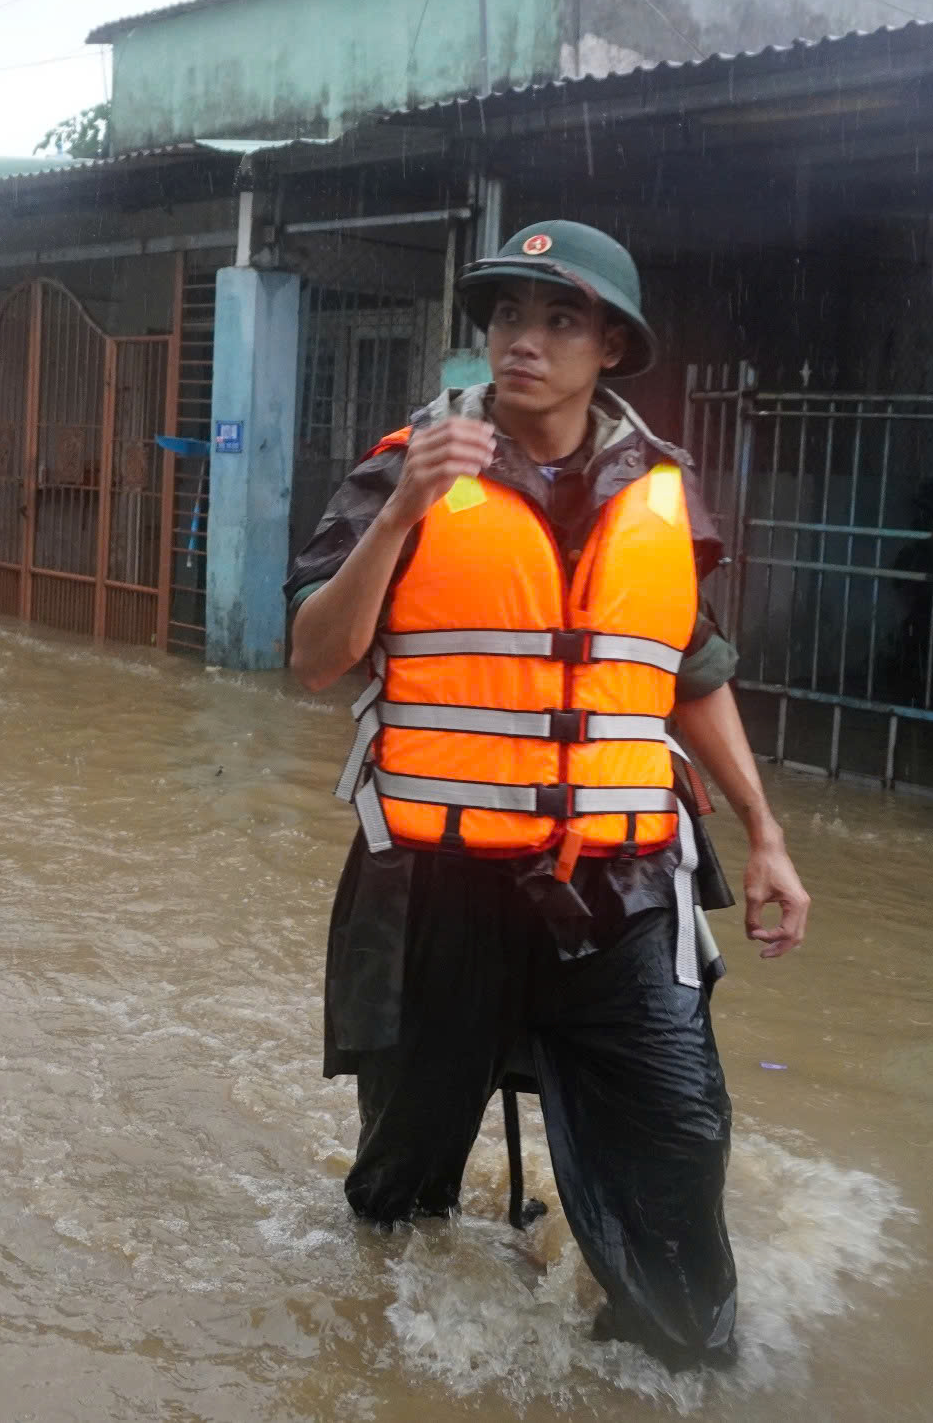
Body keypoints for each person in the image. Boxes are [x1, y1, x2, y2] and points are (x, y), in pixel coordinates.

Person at [286, 219, 811, 1373]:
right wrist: (398, 518)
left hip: (621, 886)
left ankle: (674, 1369)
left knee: (680, 1151)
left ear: (611, 346)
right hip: (437, 885)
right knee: (401, 1188)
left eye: (557, 318)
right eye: (506, 316)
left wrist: (768, 838)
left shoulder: (662, 488)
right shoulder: (405, 463)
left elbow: (690, 674)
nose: (523, 340)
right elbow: (316, 656)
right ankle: (380, 1362)